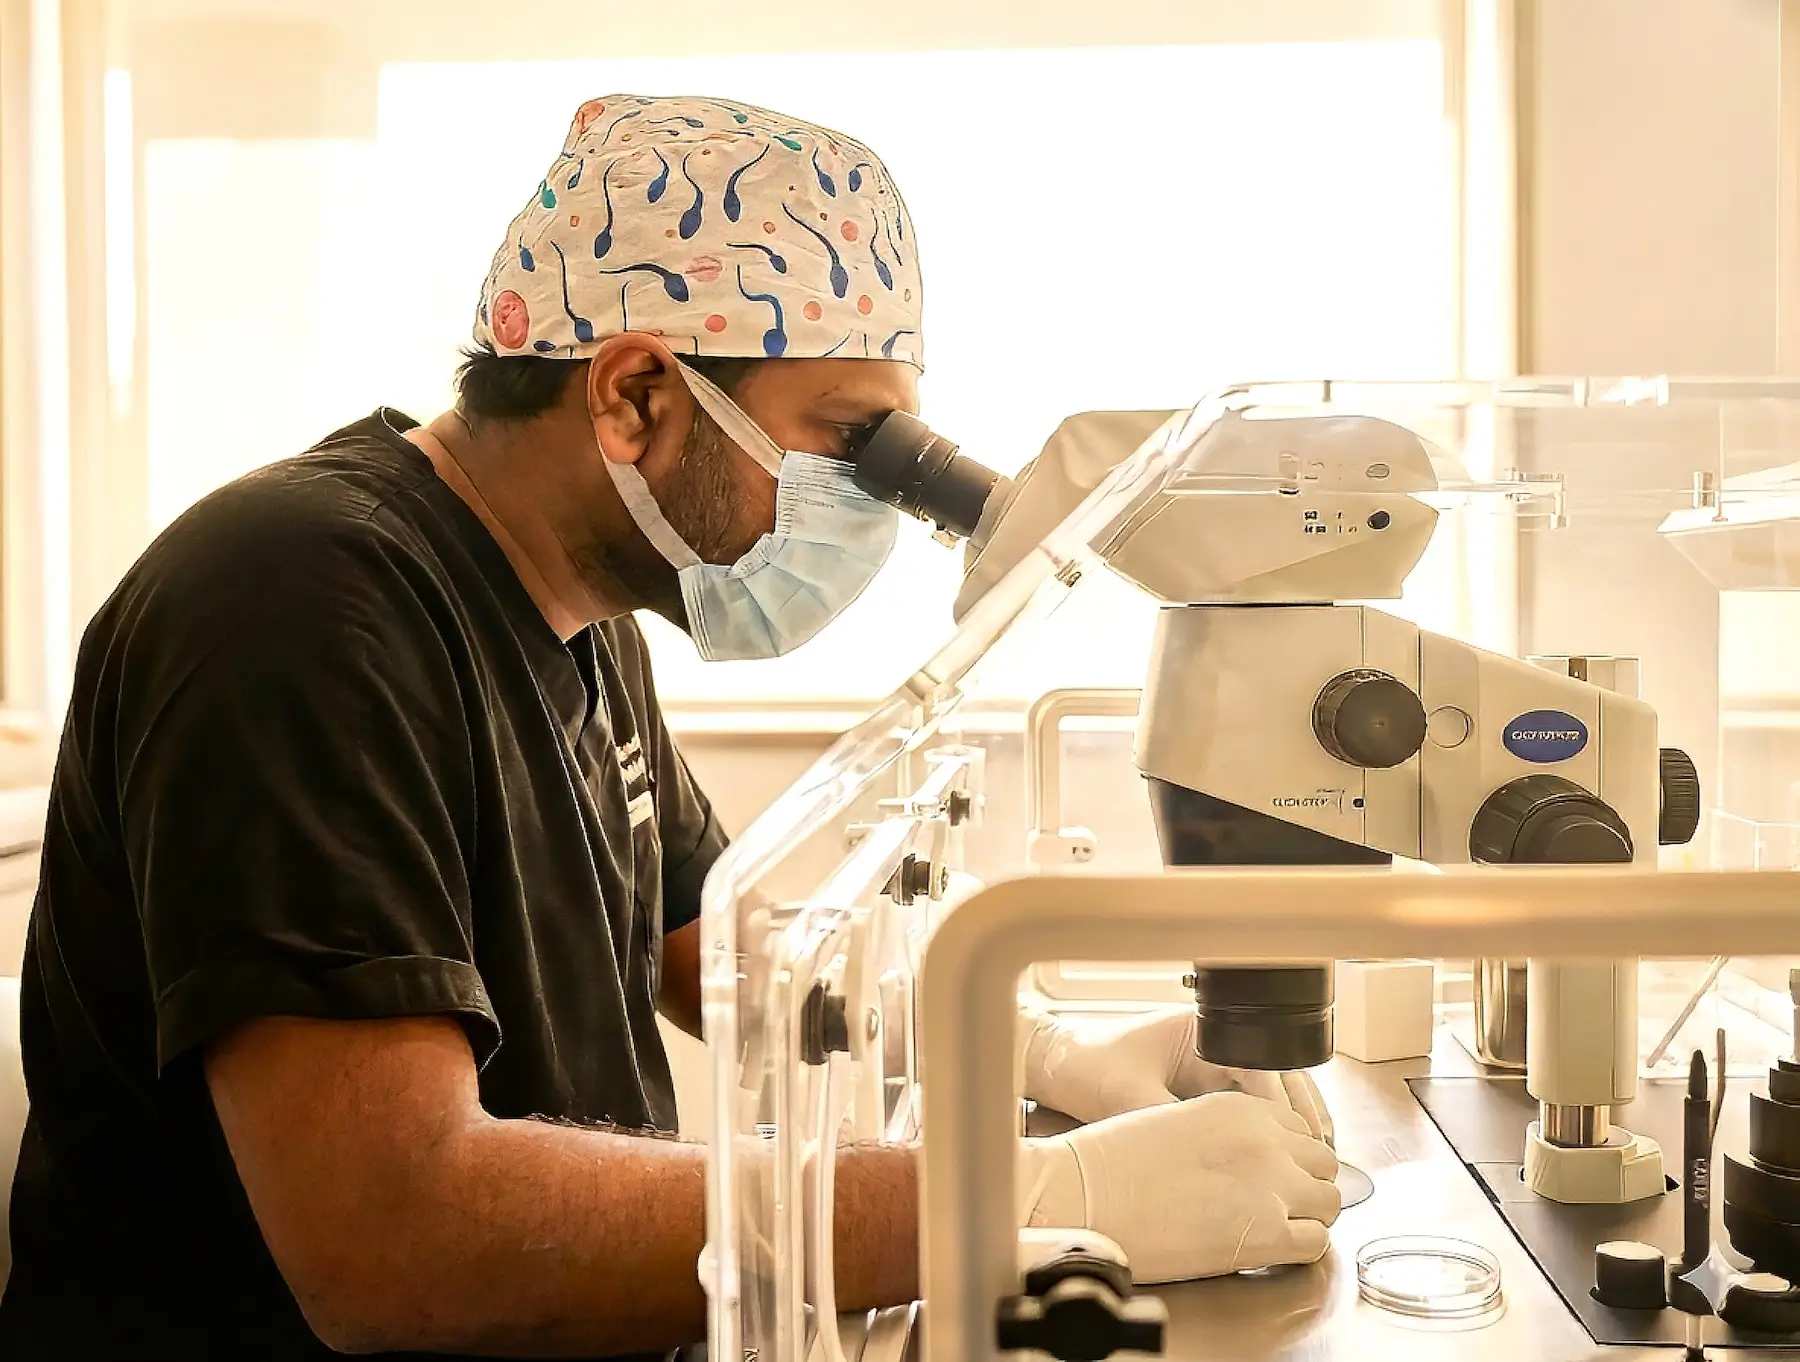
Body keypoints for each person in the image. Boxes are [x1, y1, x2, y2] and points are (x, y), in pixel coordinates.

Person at [0, 95, 1338, 1359]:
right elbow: (394, 1234)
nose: (873, 507)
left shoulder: (586, 622)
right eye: (850, 443)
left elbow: (735, 959)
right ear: (637, 392)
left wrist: (1036, 1049)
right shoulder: (297, 603)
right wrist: (1013, 1191)